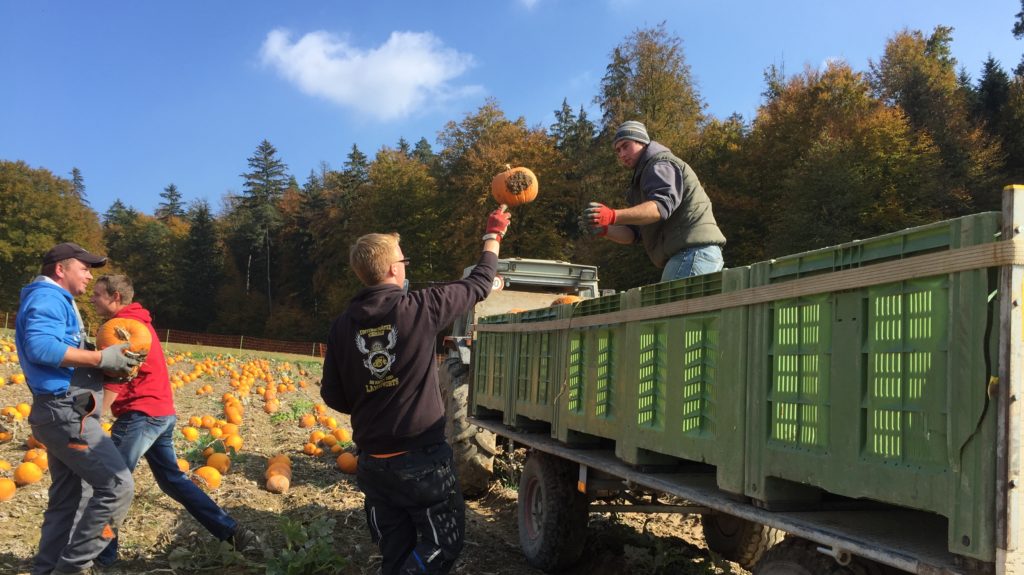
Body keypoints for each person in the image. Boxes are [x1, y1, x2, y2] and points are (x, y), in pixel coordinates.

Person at [319, 207, 511, 575]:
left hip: (373, 462)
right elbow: (480, 281)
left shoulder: (342, 326)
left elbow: (333, 397)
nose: (405, 266)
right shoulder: (420, 308)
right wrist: (493, 234)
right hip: (422, 461)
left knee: (395, 549)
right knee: (443, 543)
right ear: (393, 269)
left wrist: (372, 394)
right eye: (403, 260)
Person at [88, 274, 259, 567]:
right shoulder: (139, 322)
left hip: (141, 415)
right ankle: (234, 533)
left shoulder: (121, 328)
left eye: (98, 294)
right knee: (173, 481)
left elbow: (118, 377)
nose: (92, 299)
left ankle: (102, 560)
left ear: (115, 296)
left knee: (108, 482)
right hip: (161, 413)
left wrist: (92, 416)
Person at [15, 242, 140, 575]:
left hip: (58, 413)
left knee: (69, 499)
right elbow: (41, 346)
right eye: (83, 268)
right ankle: (70, 569)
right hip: (66, 413)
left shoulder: (53, 299)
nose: (88, 275)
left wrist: (100, 359)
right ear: (60, 269)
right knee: (117, 486)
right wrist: (100, 358)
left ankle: (48, 569)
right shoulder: (48, 297)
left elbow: (55, 346)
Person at [582, 120, 727, 282]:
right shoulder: (642, 178)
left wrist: (612, 215)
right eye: (618, 150)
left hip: (694, 253)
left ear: (642, 142)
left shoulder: (660, 163)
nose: (622, 154)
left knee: (671, 307)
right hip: (689, 256)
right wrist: (605, 229)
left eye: (626, 146)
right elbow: (633, 235)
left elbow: (660, 207)